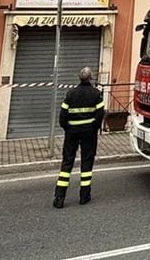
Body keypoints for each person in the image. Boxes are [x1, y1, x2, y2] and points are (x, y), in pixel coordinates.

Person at [53, 66, 106, 208]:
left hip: (72, 133)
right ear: (91, 78)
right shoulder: (96, 94)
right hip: (89, 133)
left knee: (67, 162)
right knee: (87, 163)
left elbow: (63, 115)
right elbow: (100, 114)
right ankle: (84, 195)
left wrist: (68, 128)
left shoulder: (70, 93)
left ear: (79, 78)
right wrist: (93, 127)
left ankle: (59, 197)